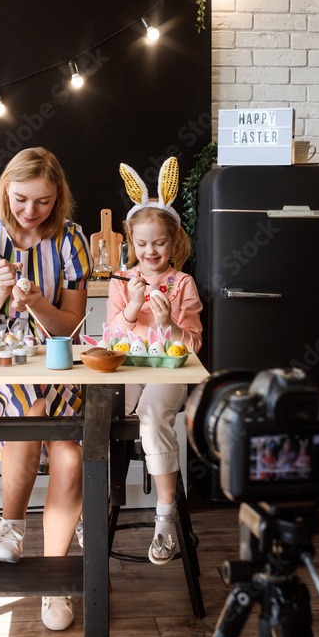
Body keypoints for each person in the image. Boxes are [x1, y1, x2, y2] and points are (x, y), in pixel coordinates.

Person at [0, 147, 91, 631]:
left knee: (71, 457)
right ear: (5, 190)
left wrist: (35, 304)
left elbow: (71, 328)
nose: (31, 212)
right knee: (30, 407)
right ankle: (11, 529)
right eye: (20, 199)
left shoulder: (72, 238)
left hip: (54, 367)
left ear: (59, 199)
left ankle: (51, 580)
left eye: (44, 202)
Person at [106, 158, 203, 565]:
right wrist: (131, 308)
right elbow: (111, 339)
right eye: (143, 244)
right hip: (128, 372)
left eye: (159, 243)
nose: (150, 252)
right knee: (97, 417)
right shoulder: (121, 281)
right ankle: (93, 508)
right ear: (131, 240)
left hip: (169, 375)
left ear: (173, 241)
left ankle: (164, 520)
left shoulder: (182, 284)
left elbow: (194, 343)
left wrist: (168, 323)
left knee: (150, 416)